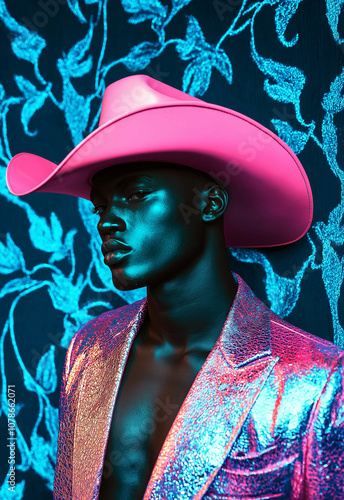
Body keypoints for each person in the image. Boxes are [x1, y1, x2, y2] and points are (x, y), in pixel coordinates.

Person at [6, 75, 344, 499]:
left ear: (209, 202)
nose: (107, 221)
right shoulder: (89, 350)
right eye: (102, 205)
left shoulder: (313, 382)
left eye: (136, 194)